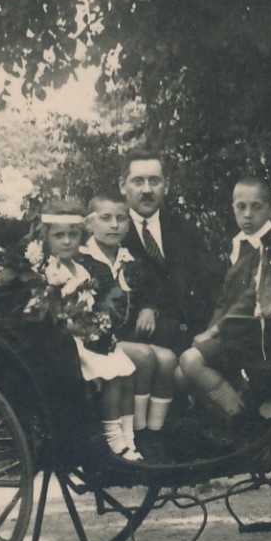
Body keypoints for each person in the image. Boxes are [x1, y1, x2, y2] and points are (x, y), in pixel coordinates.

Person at [177, 176, 271, 427]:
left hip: (257, 334)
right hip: (233, 330)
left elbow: (254, 298)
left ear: (269, 209)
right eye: (241, 207)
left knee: (190, 361)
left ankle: (245, 422)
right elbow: (226, 298)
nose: (247, 214)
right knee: (180, 375)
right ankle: (231, 416)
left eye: (256, 207)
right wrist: (208, 333)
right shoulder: (239, 243)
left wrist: (216, 330)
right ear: (233, 208)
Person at [35, 198, 142, 462]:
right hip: (68, 342)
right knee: (113, 375)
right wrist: (83, 328)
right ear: (47, 238)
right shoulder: (50, 271)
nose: (66, 241)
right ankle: (114, 439)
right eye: (59, 236)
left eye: (72, 235)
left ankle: (129, 437)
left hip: (89, 335)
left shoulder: (82, 269)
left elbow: (93, 305)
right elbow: (52, 314)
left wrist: (98, 326)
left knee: (128, 372)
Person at [81, 192, 180, 461]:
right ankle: (135, 432)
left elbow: (148, 292)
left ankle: (153, 433)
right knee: (145, 356)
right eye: (106, 218)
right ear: (90, 224)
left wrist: (148, 308)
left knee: (168, 360)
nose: (114, 225)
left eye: (121, 219)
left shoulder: (128, 257)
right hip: (97, 340)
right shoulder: (83, 259)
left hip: (123, 335)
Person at [119, 150, 220, 357]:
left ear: (166, 186)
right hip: (143, 341)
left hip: (193, 336)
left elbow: (212, 284)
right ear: (122, 185)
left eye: (154, 181)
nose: (147, 190)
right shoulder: (114, 235)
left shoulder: (185, 230)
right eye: (138, 181)